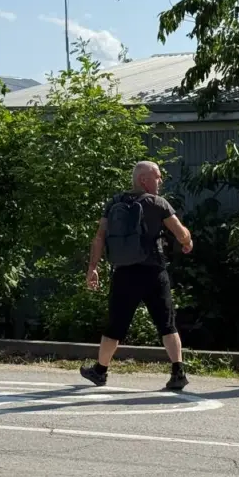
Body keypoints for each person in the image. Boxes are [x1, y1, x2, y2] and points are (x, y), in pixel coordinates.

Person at [81, 161, 194, 391]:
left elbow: (99, 237)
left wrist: (93, 267)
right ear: (144, 179)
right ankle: (178, 371)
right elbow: (180, 233)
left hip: (124, 273)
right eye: (158, 177)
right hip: (154, 272)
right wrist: (187, 241)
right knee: (166, 323)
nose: (160, 181)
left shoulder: (114, 203)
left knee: (115, 324)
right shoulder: (157, 203)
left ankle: (100, 371)